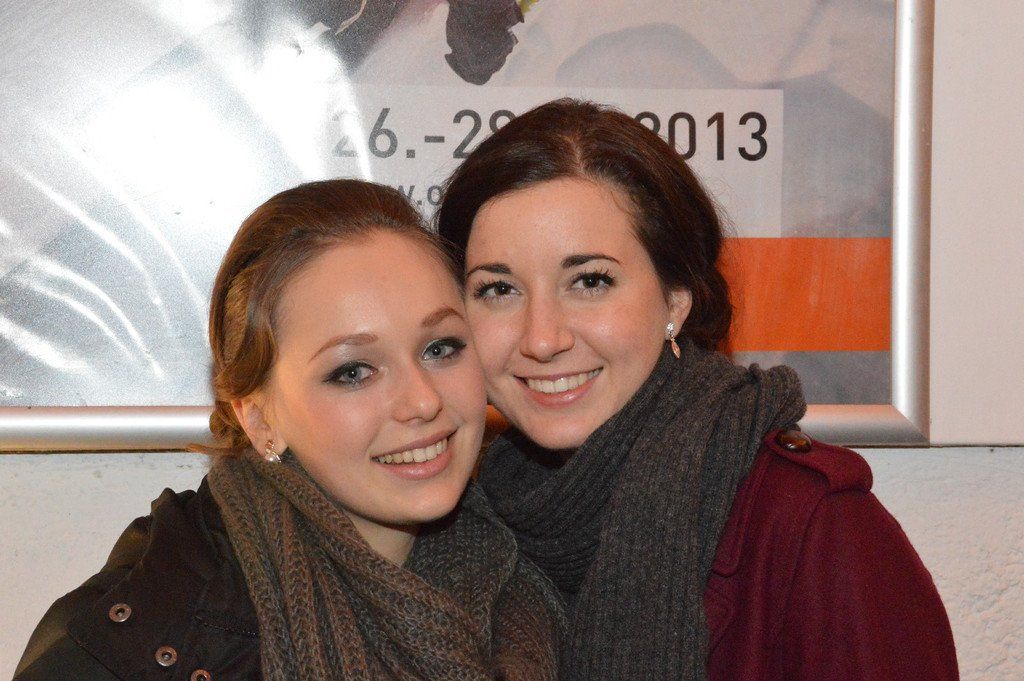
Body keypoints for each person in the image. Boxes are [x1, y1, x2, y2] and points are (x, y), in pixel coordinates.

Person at [437, 99, 958, 680]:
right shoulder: (461, 526)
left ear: (675, 302)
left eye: (590, 281)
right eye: (498, 290)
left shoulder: (816, 527)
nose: (541, 339)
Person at [15, 180, 563, 680]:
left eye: (440, 348)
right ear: (259, 418)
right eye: (353, 372)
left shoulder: (536, 579)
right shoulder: (130, 648)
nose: (422, 401)